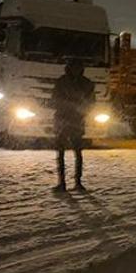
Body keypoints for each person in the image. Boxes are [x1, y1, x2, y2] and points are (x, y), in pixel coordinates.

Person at [50, 59, 95, 192]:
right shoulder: (87, 84)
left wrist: (65, 107)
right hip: (75, 121)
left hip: (64, 120)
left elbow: (54, 100)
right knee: (77, 152)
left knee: (63, 152)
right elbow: (90, 103)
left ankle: (63, 183)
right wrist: (80, 111)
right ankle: (77, 182)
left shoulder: (61, 82)